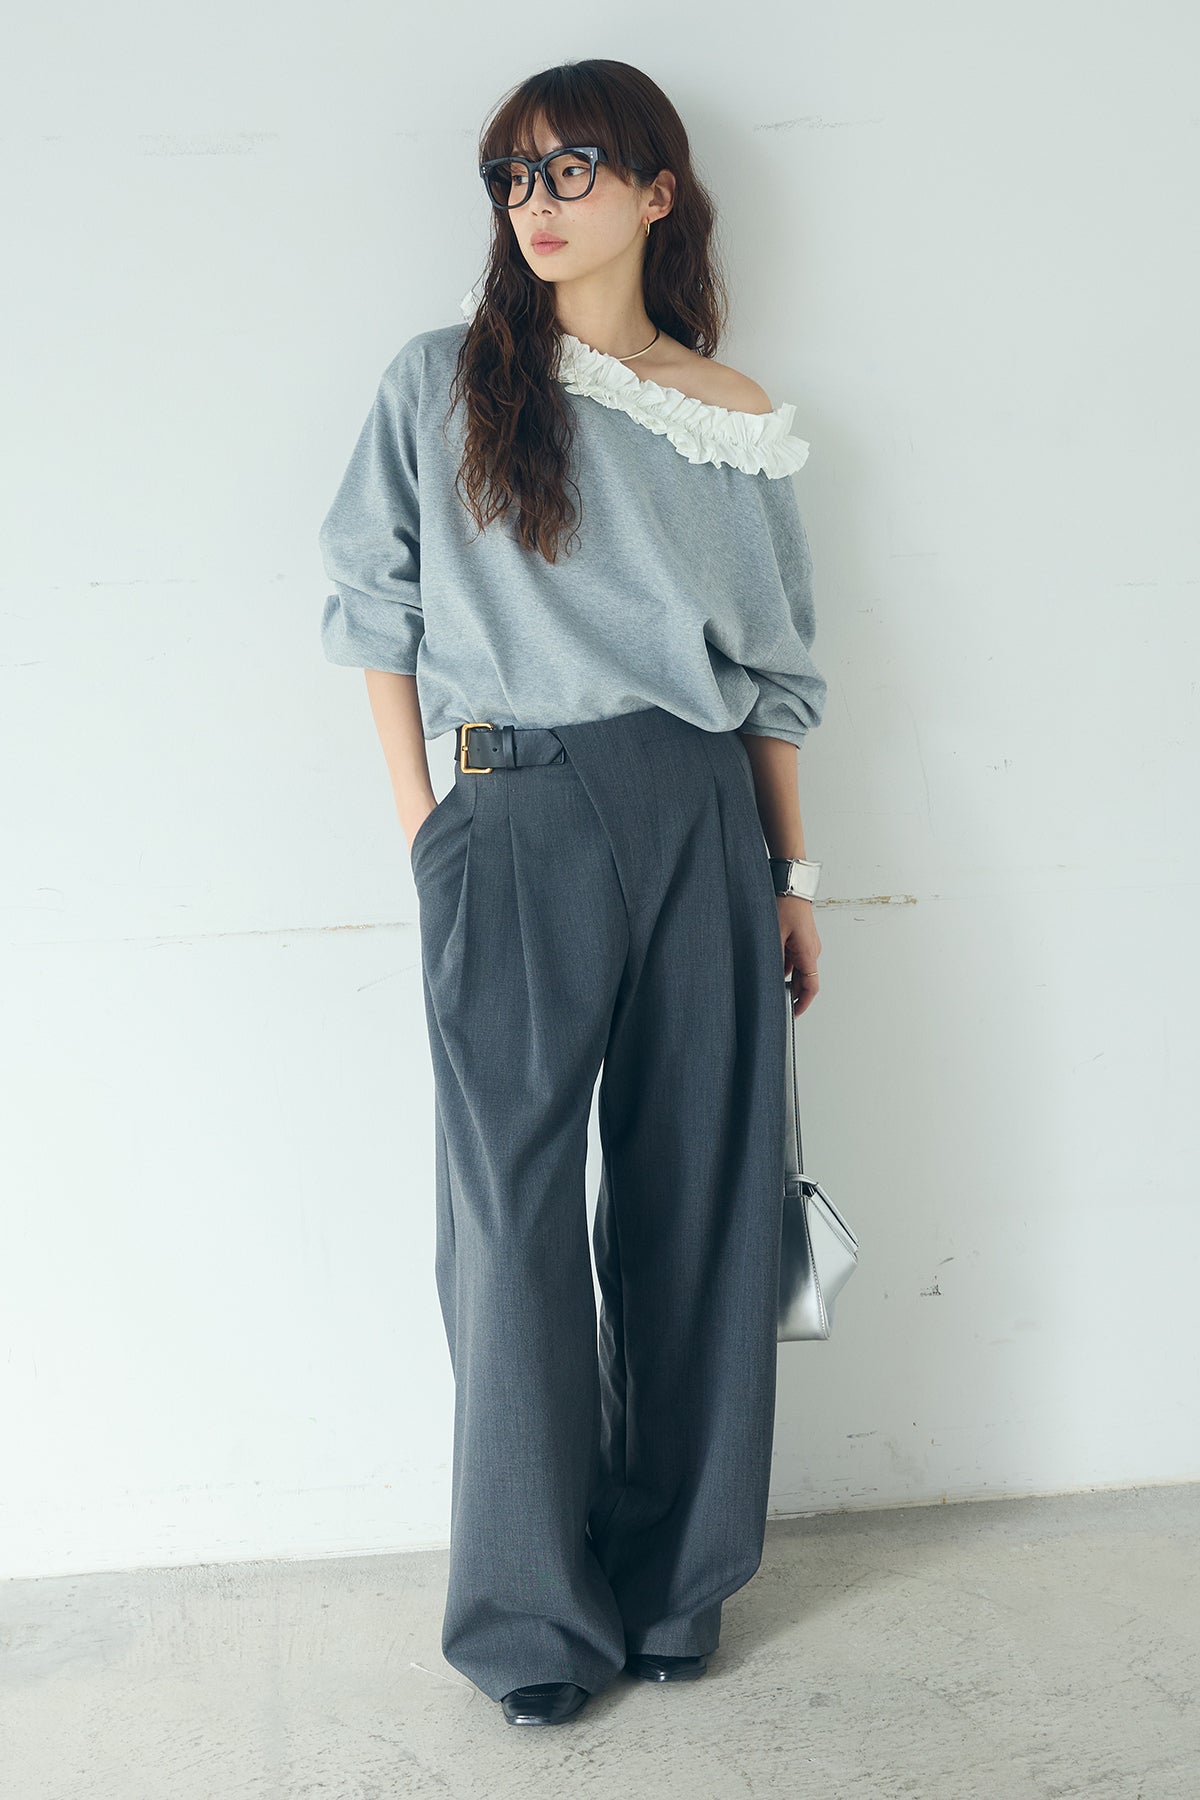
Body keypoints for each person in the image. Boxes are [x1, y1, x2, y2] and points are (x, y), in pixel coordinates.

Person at [317, 57, 828, 1728]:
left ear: (657, 191)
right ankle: (533, 1621)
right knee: (513, 1226)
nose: (536, 204)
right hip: (511, 814)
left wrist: (792, 879)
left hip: (702, 821)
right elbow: (374, 610)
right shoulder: (443, 379)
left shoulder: (731, 411)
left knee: (699, 1202)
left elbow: (773, 680)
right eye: (512, 177)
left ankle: (677, 1585)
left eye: (574, 168)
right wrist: (427, 827)